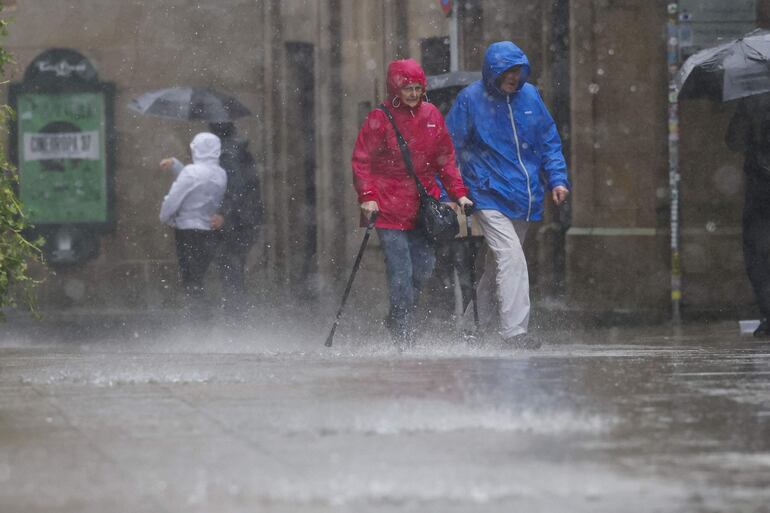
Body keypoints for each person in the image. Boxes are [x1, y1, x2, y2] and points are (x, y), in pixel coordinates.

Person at [446, 41, 570, 349]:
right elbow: (448, 149)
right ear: (493, 71)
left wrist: (557, 179)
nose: (514, 77)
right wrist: (449, 191)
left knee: (498, 264)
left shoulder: (531, 97)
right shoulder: (470, 100)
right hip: (486, 193)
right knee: (511, 257)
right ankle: (515, 332)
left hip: (522, 195)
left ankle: (469, 326)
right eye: (507, 71)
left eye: (518, 71)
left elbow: (548, 140)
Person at [351, 58, 473, 346]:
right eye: (408, 88)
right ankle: (403, 329)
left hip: (422, 207)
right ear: (396, 87)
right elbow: (361, 161)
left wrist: (459, 193)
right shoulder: (379, 119)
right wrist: (367, 197)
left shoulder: (432, 115)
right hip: (388, 208)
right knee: (401, 270)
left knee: (424, 267)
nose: (414, 94)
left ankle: (398, 315)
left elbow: (446, 161)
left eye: (418, 88)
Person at [159, 132, 227, 315]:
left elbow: (175, 197)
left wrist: (165, 216)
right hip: (208, 232)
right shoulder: (221, 174)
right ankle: (202, 317)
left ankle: (200, 321)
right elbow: (201, 182)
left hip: (187, 231)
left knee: (191, 279)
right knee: (199, 275)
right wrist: (177, 165)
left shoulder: (192, 173)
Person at [207, 122, 263, 314]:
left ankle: (235, 320)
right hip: (247, 219)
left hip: (237, 222)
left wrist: (223, 213)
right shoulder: (239, 150)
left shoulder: (227, 154)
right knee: (233, 269)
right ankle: (236, 316)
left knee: (230, 270)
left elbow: (235, 188)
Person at [726, 93, 770, 338]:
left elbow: (733, 141)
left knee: (757, 256)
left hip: (760, 191)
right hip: (760, 192)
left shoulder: (752, 98)